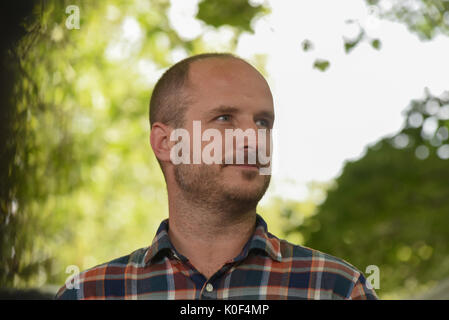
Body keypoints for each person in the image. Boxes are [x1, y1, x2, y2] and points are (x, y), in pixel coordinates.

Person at [55, 53, 378, 300]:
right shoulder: (89, 293)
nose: (254, 138)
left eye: (264, 122)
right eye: (225, 118)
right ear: (167, 143)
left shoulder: (336, 289)